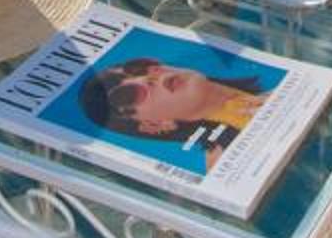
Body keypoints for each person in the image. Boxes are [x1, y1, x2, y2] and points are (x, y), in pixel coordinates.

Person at [77, 56, 268, 168]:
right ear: (153, 124)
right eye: (129, 94)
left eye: (139, 68)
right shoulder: (226, 161)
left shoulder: (272, 94)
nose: (146, 79)